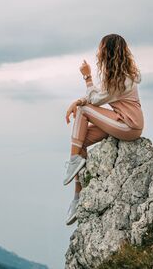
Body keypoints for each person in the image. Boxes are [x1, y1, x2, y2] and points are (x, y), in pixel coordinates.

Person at [63, 33, 144, 226]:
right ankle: (78, 197)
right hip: (122, 123)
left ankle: (73, 161)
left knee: (83, 111)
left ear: (107, 53)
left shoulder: (123, 79)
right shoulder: (120, 76)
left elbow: (96, 100)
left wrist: (87, 77)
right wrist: (80, 100)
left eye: (100, 49)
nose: (98, 53)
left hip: (128, 126)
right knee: (80, 140)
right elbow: (98, 96)